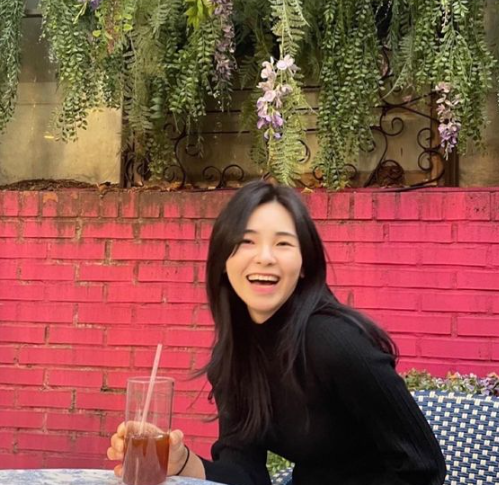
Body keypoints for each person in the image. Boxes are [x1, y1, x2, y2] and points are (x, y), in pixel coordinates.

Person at [107, 180, 446, 485]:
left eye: (283, 243)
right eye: (246, 241)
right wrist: (180, 461)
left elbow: (423, 467)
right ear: (223, 260)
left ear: (304, 265)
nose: (265, 257)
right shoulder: (236, 356)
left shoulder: (335, 343)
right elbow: (245, 473)